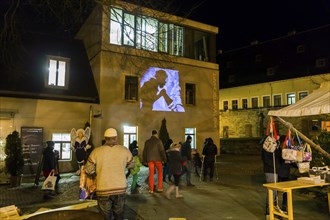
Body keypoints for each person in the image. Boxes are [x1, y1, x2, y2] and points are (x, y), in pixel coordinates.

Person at [85, 128, 135, 220]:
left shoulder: (96, 151)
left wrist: (96, 172)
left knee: (105, 217)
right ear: (116, 138)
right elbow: (132, 165)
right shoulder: (124, 150)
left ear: (105, 138)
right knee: (119, 215)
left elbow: (88, 170)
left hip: (103, 189)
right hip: (120, 188)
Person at [261, 136, 281, 216]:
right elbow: (267, 159)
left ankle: (272, 209)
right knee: (272, 191)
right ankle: (269, 211)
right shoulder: (267, 148)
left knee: (274, 191)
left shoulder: (271, 147)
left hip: (273, 170)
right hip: (270, 171)